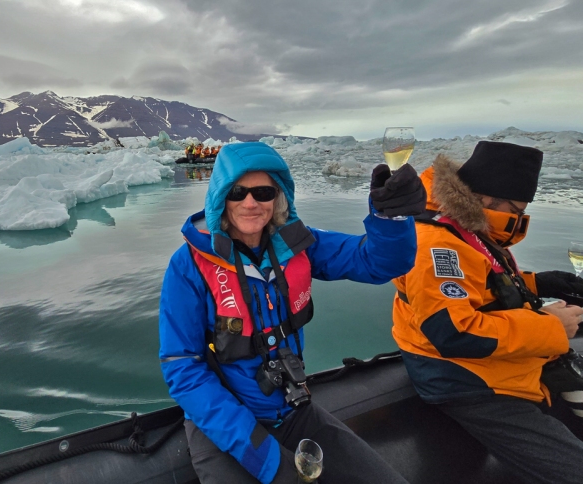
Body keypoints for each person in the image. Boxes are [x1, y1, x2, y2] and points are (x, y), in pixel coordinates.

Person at [159, 141, 426, 483]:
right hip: (224, 427)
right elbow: (183, 370)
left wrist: (392, 217)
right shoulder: (189, 266)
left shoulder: (297, 244)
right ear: (220, 197)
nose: (251, 202)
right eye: (238, 191)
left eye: (264, 191)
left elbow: (377, 263)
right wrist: (269, 460)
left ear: (279, 195)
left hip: (292, 410)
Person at [391, 141, 583, 484]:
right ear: (485, 199)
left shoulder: (465, 229)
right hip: (466, 379)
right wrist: (550, 326)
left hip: (499, 364)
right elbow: (453, 332)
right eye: (516, 210)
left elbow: (480, 283)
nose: (519, 220)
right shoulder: (439, 245)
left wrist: (540, 283)